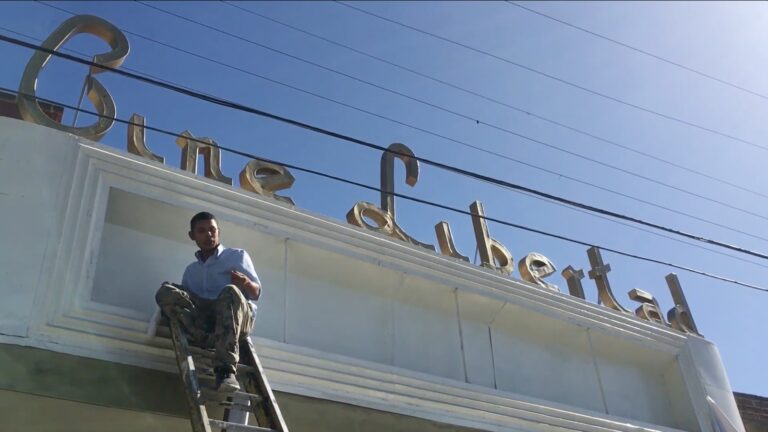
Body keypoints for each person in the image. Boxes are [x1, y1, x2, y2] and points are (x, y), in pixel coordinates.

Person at [155, 211, 261, 393]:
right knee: (166, 291)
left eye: (212, 230)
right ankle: (204, 337)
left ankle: (225, 371)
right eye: (202, 231)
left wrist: (245, 282)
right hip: (206, 319)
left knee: (230, 291)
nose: (209, 235)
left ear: (219, 232)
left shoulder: (236, 256)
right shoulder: (191, 271)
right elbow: (188, 302)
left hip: (235, 317)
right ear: (192, 235)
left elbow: (256, 293)